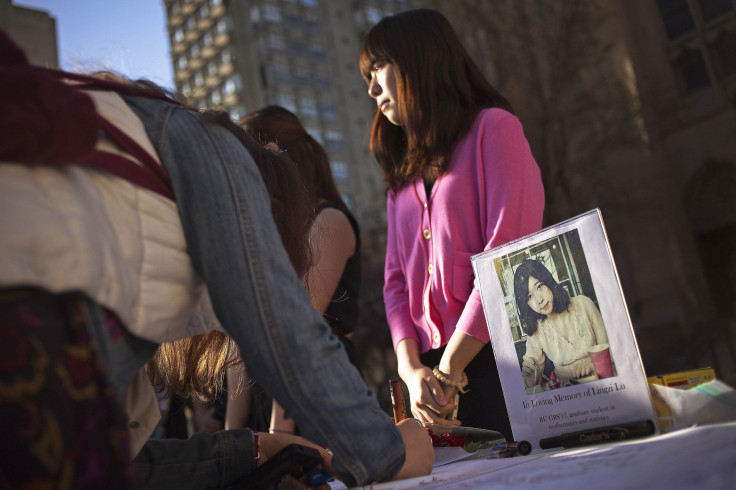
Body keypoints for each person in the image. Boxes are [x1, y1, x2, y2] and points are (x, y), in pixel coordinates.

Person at [0, 30, 433, 489]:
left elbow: (129, 466)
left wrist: (253, 451)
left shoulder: (121, 201)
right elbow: (286, 333)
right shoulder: (220, 155)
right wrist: (387, 453)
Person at [360, 9, 545, 439]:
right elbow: (394, 285)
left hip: (502, 368)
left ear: (417, 61)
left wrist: (450, 368)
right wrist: (410, 370)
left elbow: (507, 259)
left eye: (378, 69)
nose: (371, 88)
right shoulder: (400, 179)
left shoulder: (494, 129)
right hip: (432, 389)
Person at [231, 106, 362, 435]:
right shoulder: (269, 232)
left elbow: (298, 333)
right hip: (269, 399)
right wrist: (231, 437)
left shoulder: (328, 221)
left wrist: (280, 436)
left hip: (315, 398)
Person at [513, 259, 609, 392]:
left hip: (603, 387)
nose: (539, 300)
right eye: (529, 297)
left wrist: (592, 367)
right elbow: (532, 373)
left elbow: (611, 352)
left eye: (539, 286)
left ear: (548, 280)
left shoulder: (584, 304)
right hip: (567, 396)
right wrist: (529, 378)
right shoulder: (536, 329)